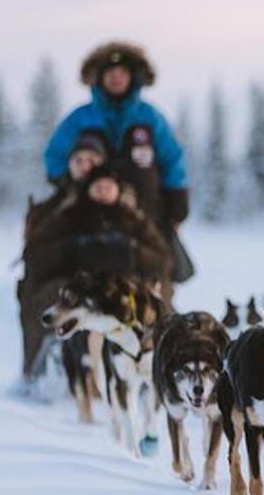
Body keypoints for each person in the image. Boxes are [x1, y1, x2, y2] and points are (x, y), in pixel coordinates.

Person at [17, 163, 172, 383]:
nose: (103, 191)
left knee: (156, 308)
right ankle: (42, 370)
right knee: (51, 301)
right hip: (77, 283)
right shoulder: (69, 217)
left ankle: (155, 364)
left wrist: (134, 252)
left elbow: (163, 259)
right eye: (98, 186)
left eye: (109, 187)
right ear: (88, 189)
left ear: (118, 190)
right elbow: (35, 253)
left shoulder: (133, 219)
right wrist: (71, 249)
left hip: (124, 287)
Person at [43, 42, 189, 231]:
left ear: (133, 78)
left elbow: (171, 158)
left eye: (122, 73)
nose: (116, 78)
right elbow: (55, 156)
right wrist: (68, 181)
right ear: (100, 78)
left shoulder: (150, 118)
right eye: (111, 73)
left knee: (174, 259)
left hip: (145, 215)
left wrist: (176, 198)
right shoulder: (80, 118)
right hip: (88, 215)